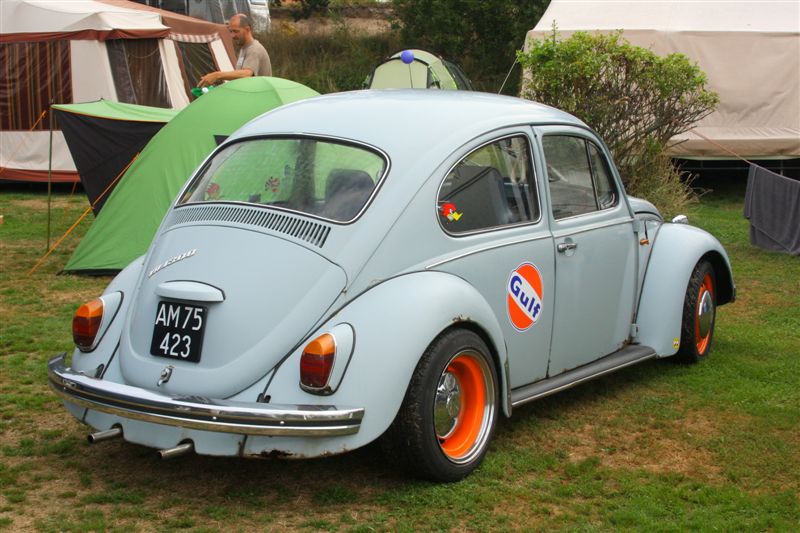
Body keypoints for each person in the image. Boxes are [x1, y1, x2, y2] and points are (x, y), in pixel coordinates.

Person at [198, 14, 271, 87]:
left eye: (236, 31)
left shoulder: (254, 49)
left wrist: (217, 75)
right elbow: (240, 77)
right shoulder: (244, 48)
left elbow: (246, 74)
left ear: (247, 29)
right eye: (231, 31)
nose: (232, 35)